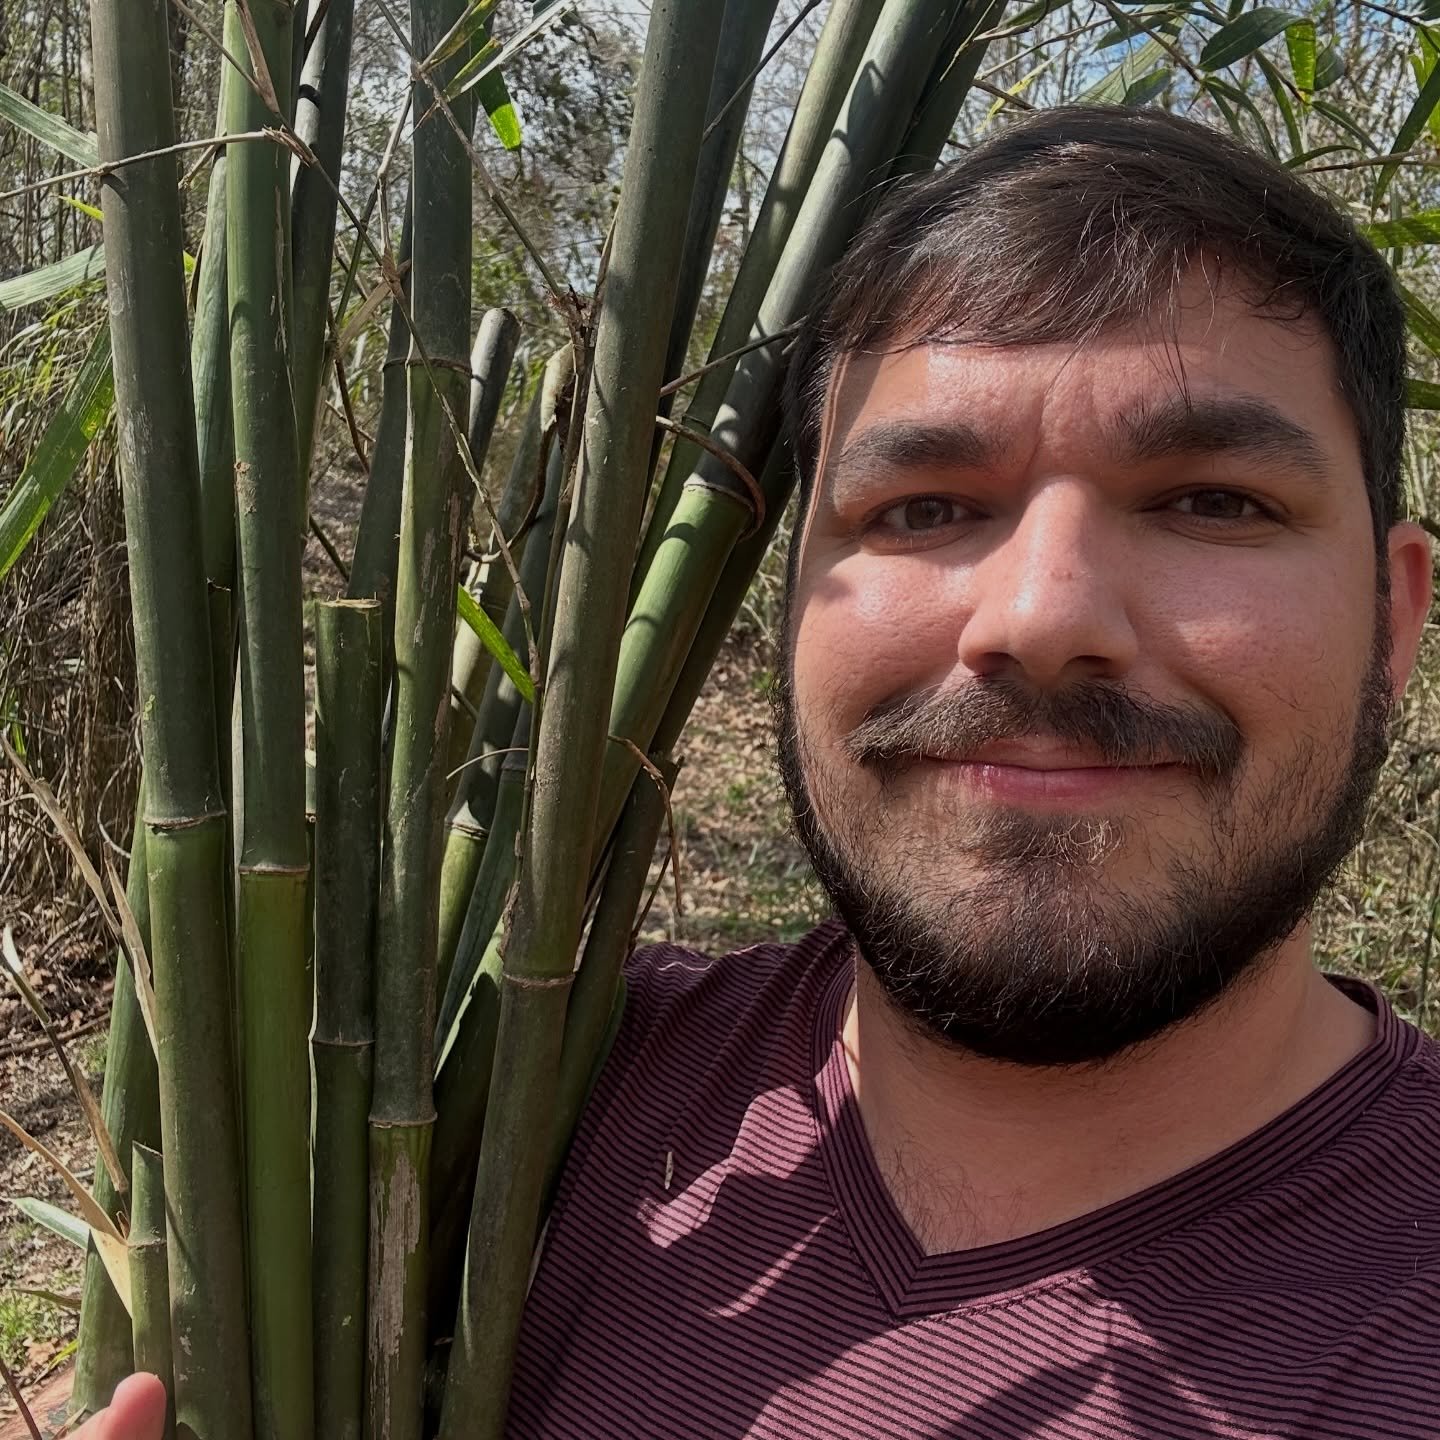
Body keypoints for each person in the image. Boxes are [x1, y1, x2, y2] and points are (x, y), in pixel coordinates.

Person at [79, 103, 1440, 1439]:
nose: (1040, 616)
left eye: (1214, 501)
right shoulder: (507, 1093)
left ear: (1395, 617)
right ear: (784, 611)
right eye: (924, 509)